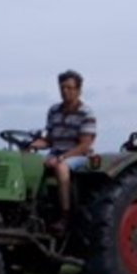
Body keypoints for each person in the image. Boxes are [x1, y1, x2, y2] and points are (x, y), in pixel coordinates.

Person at [29, 69, 97, 230]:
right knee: (30, 163)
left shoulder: (86, 113)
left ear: (78, 90)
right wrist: (32, 146)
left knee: (61, 168)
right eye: (62, 88)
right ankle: (33, 210)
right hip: (55, 152)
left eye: (69, 88)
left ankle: (65, 216)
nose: (65, 91)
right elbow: (50, 140)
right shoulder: (54, 111)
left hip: (78, 156)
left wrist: (62, 158)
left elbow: (84, 145)